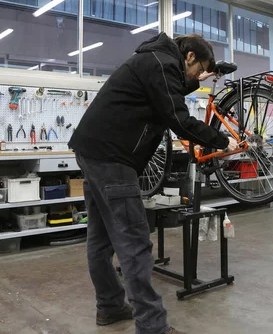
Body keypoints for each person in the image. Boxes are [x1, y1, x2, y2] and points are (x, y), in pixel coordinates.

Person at [69, 32, 238, 334]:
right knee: (134, 242)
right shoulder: (160, 63)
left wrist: (198, 78)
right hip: (112, 158)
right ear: (188, 57)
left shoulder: (154, 60)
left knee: (101, 240)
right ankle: (152, 326)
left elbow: (171, 90)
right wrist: (220, 140)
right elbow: (179, 118)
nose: (198, 76)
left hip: (92, 151)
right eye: (198, 70)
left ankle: (109, 307)